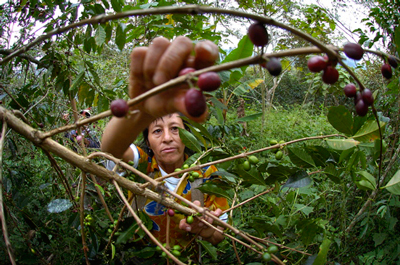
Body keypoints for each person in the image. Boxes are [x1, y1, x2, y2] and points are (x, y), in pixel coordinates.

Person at [101, 36, 229, 248]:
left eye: (175, 129)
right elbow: (110, 150)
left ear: (187, 135)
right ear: (148, 142)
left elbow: (219, 235)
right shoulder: (143, 166)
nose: (168, 137)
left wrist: (208, 230)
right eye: (157, 130)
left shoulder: (207, 173)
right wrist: (141, 111)